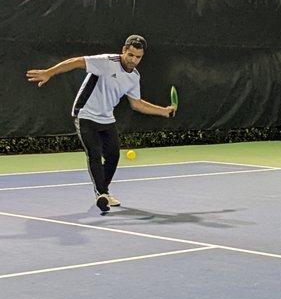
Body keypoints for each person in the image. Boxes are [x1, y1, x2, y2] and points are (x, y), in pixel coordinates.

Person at [26, 35, 175, 213]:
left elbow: (136, 103)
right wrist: (49, 72)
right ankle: (102, 193)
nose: (133, 60)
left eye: (138, 57)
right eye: (131, 55)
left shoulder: (134, 77)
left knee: (113, 156)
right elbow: (77, 61)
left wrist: (163, 111)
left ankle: (102, 192)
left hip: (106, 118)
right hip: (85, 113)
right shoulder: (106, 62)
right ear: (124, 50)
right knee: (94, 152)